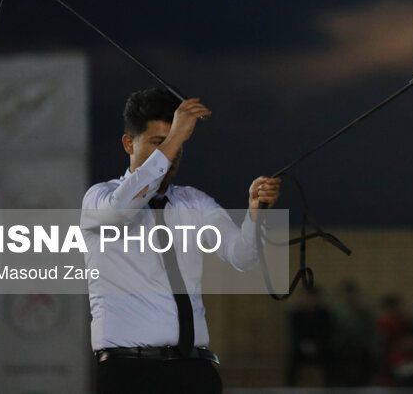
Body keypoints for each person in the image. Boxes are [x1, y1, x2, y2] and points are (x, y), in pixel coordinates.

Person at [81, 88, 281, 394]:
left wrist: (256, 215)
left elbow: (243, 256)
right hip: (130, 374)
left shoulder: (194, 202)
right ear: (127, 143)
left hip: (195, 372)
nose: (171, 156)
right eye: (159, 144)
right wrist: (175, 137)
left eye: (177, 146)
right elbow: (121, 209)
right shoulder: (99, 198)